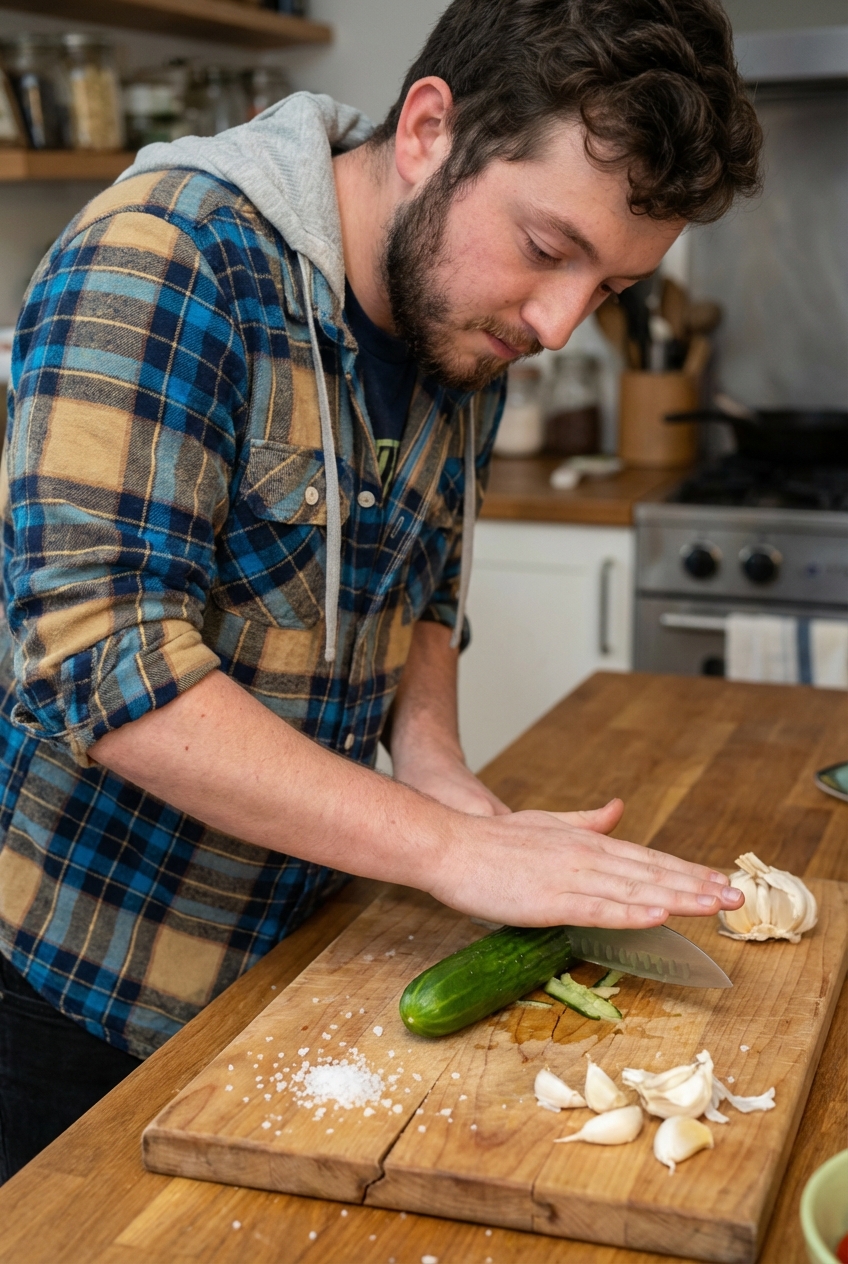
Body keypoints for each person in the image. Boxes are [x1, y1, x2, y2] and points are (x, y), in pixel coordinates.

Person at [0, 0, 761, 1180]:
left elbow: (424, 587)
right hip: (75, 992)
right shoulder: (164, 256)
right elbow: (96, 659)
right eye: (550, 249)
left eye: (608, 289)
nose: (559, 323)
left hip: (291, 955)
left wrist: (442, 773)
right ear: (425, 130)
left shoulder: (459, 312)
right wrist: (446, 853)